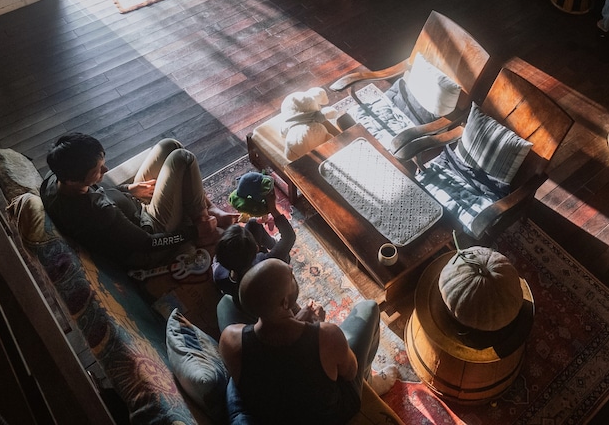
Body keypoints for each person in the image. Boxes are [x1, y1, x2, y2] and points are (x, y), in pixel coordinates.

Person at [220, 258, 380, 425]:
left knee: (224, 305)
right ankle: (368, 379)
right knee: (369, 308)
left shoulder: (229, 340)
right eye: (291, 277)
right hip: (329, 417)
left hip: (271, 415)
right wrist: (316, 328)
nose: (292, 272)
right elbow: (350, 372)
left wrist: (299, 323)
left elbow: (278, 360)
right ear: (285, 302)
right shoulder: (328, 335)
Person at [40, 133, 237, 269]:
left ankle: (210, 209)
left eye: (102, 162)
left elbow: (99, 191)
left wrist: (128, 189)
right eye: (97, 171)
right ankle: (205, 228)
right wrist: (193, 232)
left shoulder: (53, 179)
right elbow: (147, 243)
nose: (106, 170)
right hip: (150, 229)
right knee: (183, 158)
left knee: (170, 145)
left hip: (129, 205)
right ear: (74, 180)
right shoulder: (97, 212)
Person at [213, 187, 296, 330]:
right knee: (284, 255)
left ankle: (274, 245)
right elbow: (289, 236)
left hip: (245, 282)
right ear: (257, 249)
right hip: (266, 283)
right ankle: (275, 246)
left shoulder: (220, 275)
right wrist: (273, 209)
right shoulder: (268, 262)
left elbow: (219, 258)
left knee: (252, 224)